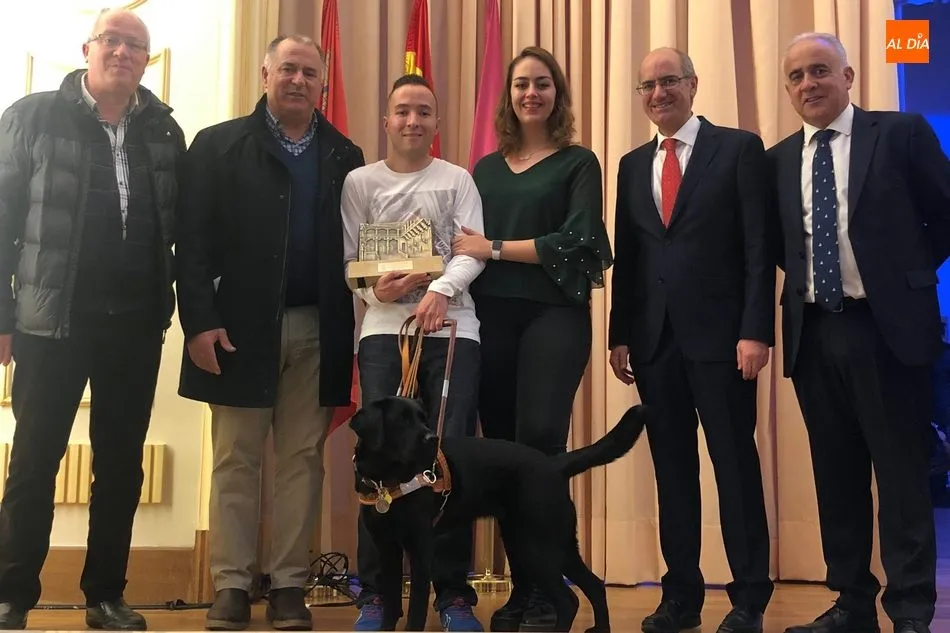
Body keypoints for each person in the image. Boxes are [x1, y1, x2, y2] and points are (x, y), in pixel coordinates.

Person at [0, 8, 185, 630]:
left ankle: (105, 596)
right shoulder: (31, 117)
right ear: (88, 48)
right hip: (51, 322)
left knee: (121, 466)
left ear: (146, 61)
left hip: (135, 325)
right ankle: (11, 595)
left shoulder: (163, 130)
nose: (123, 53)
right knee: (34, 460)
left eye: (136, 46)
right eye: (113, 40)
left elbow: (181, 228)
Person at [175, 34, 364, 631]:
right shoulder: (218, 145)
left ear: (322, 85)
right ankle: (231, 584)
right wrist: (199, 321)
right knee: (235, 458)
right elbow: (191, 243)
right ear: (265, 75)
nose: (298, 80)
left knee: (302, 461)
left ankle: (288, 586)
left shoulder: (345, 155)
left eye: (309, 72)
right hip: (237, 329)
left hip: (318, 327)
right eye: (287, 69)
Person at [769, 33, 950, 633]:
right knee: (836, 477)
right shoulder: (777, 160)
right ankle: (851, 604)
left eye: (820, 70)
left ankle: (910, 610)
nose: (809, 84)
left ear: (847, 76)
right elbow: (779, 246)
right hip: (815, 332)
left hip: (887, 329)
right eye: (796, 76)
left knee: (901, 476)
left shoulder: (900, 134)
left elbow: (945, 213)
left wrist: (906, 275)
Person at [607, 47, 775, 633]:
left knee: (734, 466)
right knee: (672, 472)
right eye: (647, 85)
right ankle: (680, 597)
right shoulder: (631, 165)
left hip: (724, 342)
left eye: (669, 81)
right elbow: (629, 257)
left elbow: (759, 249)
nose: (659, 93)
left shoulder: (739, 149)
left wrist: (756, 330)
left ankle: (749, 599)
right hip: (654, 343)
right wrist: (620, 334)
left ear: (693, 84)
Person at [452, 46, 613, 632]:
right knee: (502, 457)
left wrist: (494, 248)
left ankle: (550, 590)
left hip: (554, 318)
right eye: (521, 84)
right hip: (490, 317)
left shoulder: (578, 163)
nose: (531, 94)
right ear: (509, 96)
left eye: (542, 84)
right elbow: (459, 243)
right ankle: (523, 591)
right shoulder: (484, 170)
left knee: (540, 448)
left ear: (557, 94)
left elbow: (577, 243)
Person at [344, 74, 485, 633]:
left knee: (444, 459)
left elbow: (472, 251)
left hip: (453, 331)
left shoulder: (457, 179)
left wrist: (440, 290)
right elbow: (352, 262)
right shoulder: (360, 182)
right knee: (377, 459)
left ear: (436, 122)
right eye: (402, 111)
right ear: (386, 121)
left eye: (423, 111)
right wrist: (373, 292)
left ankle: (452, 594)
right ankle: (377, 596)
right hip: (384, 333)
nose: (412, 121)